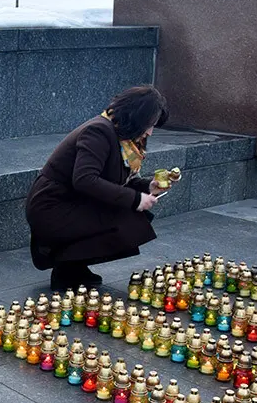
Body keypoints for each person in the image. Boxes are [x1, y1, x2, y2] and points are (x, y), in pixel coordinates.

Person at [25, 85, 169, 291]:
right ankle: (65, 269)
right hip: (52, 208)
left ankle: (73, 266)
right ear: (136, 117)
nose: (149, 132)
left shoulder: (121, 137)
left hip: (73, 202)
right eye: (149, 125)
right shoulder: (98, 131)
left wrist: (148, 187)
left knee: (130, 216)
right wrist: (136, 199)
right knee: (125, 218)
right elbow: (85, 179)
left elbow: (119, 180)